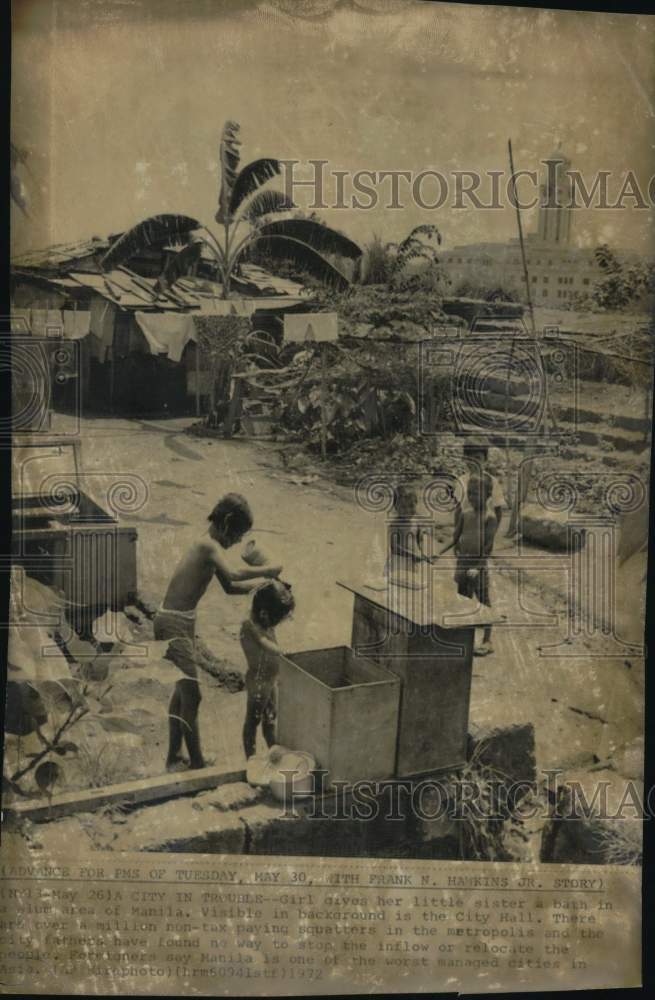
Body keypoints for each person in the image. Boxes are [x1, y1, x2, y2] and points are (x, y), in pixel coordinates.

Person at [153, 493, 282, 771]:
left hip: (181, 621)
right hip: (172, 623)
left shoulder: (211, 549)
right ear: (225, 523)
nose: (236, 542)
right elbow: (235, 574)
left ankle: (174, 757)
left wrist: (263, 589)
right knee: (193, 696)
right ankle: (197, 765)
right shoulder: (207, 545)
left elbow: (230, 587)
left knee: (182, 694)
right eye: (237, 536)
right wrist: (268, 569)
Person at [440, 474, 497, 657]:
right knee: (463, 600)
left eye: (476, 494)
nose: (472, 498)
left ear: (488, 495)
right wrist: (438, 552)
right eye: (470, 494)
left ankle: (487, 640)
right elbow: (455, 538)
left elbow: (487, 548)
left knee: (483, 601)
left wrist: (478, 567)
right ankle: (463, 639)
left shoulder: (490, 518)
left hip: (477, 566)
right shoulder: (465, 514)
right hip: (463, 563)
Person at [240, 579, 295, 760]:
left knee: (270, 718)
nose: (276, 625)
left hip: (270, 681)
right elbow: (265, 644)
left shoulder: (265, 622)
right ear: (264, 614)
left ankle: (274, 750)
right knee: (253, 720)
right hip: (258, 683)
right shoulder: (250, 626)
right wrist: (283, 652)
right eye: (276, 620)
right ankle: (251, 758)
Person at [455, 441, 504, 531]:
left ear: (485, 459)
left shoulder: (493, 482)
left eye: (477, 458)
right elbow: (458, 509)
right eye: (469, 458)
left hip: (484, 528)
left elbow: (498, 511)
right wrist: (457, 533)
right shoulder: (461, 481)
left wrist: (492, 533)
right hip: (466, 528)